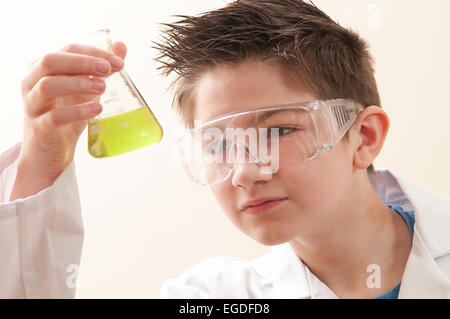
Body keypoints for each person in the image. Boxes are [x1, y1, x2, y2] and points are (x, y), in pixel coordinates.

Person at [0, 0, 449, 299]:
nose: (244, 173)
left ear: (364, 138)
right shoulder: (212, 298)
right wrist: (41, 162)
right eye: (216, 144)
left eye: (276, 133)